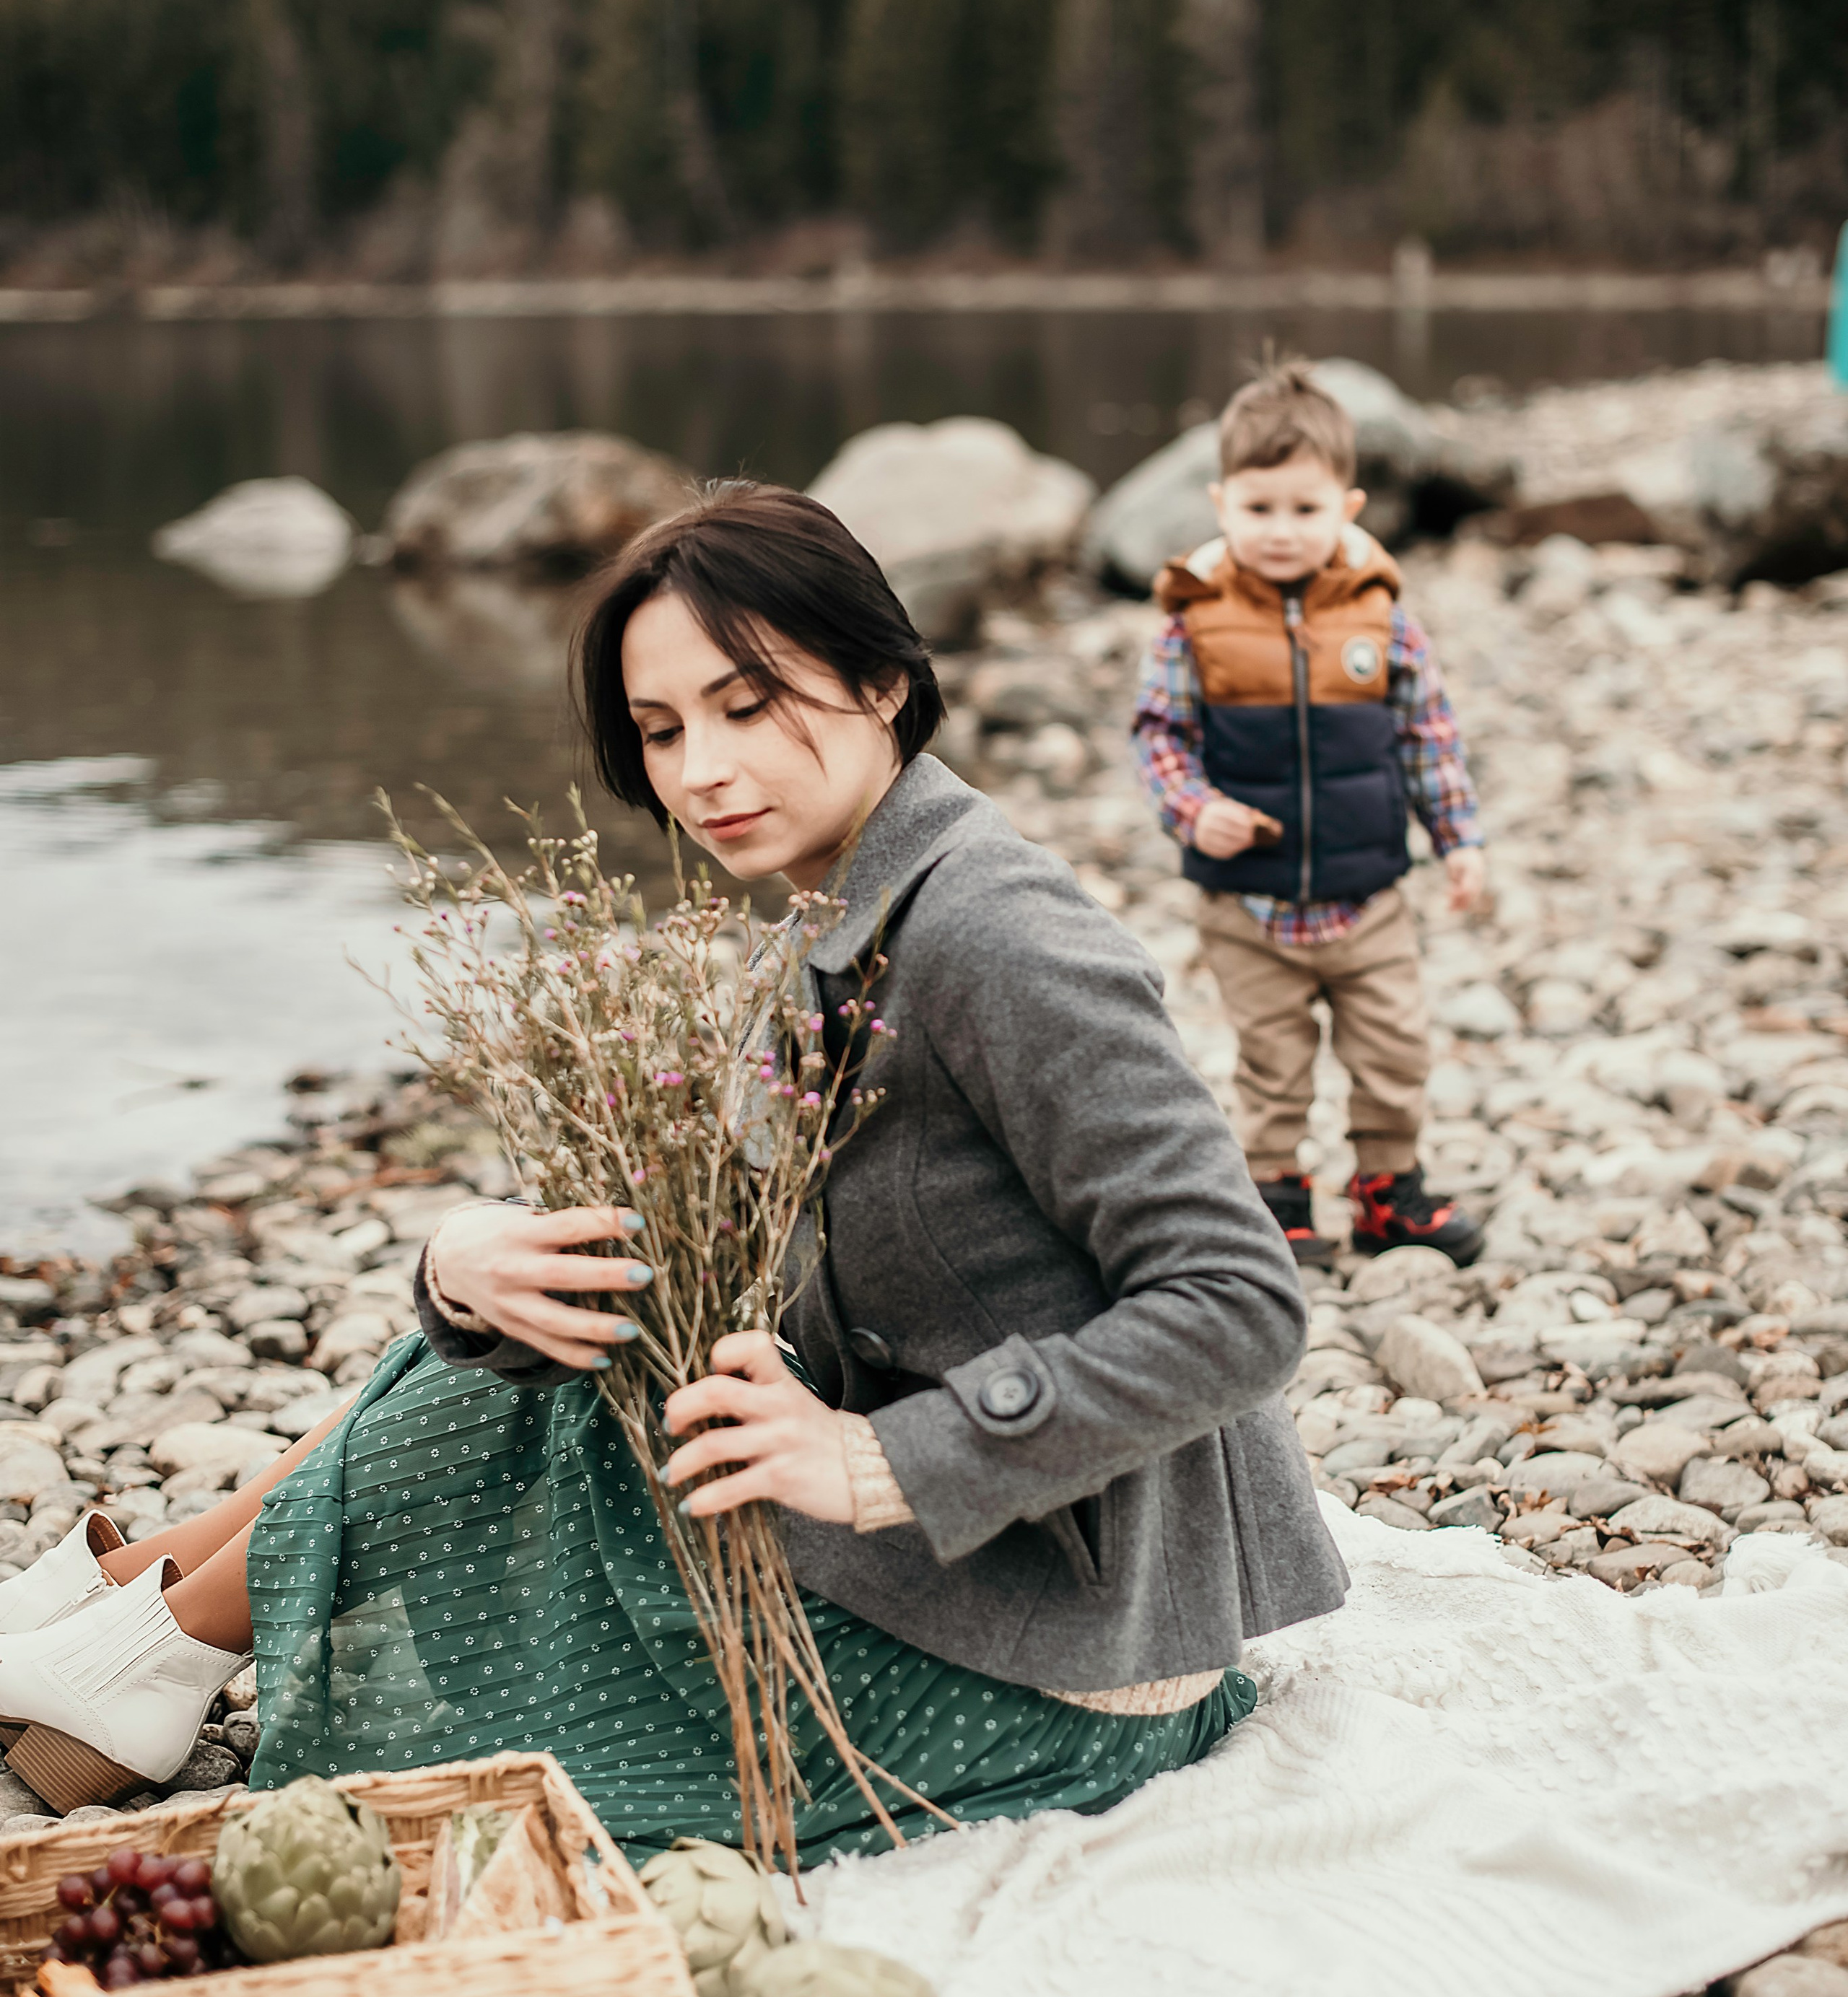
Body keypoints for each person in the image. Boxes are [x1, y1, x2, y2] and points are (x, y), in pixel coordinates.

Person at [0, 485, 1346, 1857]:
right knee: (548, 1324)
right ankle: (139, 1607)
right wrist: (461, 1268)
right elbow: (680, 1253)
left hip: (1073, 1649)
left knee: (548, 1448)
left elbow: (1242, 1304)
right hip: (986, 1575)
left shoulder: (1002, 937)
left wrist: (876, 1460)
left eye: (747, 705)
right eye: (661, 731)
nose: (700, 769)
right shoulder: (842, 917)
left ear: (884, 679)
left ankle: (142, 1648)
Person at [1130, 359, 1488, 1275]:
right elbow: (1160, 736)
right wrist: (1194, 809)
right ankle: (1278, 1192)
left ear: (1349, 506)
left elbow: (1426, 737)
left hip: (1368, 897)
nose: (1281, 532)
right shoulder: (1193, 621)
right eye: (1258, 510)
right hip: (1250, 910)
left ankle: (1385, 1190)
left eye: (1304, 509)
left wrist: (1460, 843)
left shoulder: (1382, 617)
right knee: (1273, 1061)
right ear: (1219, 504)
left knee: (1394, 1048)